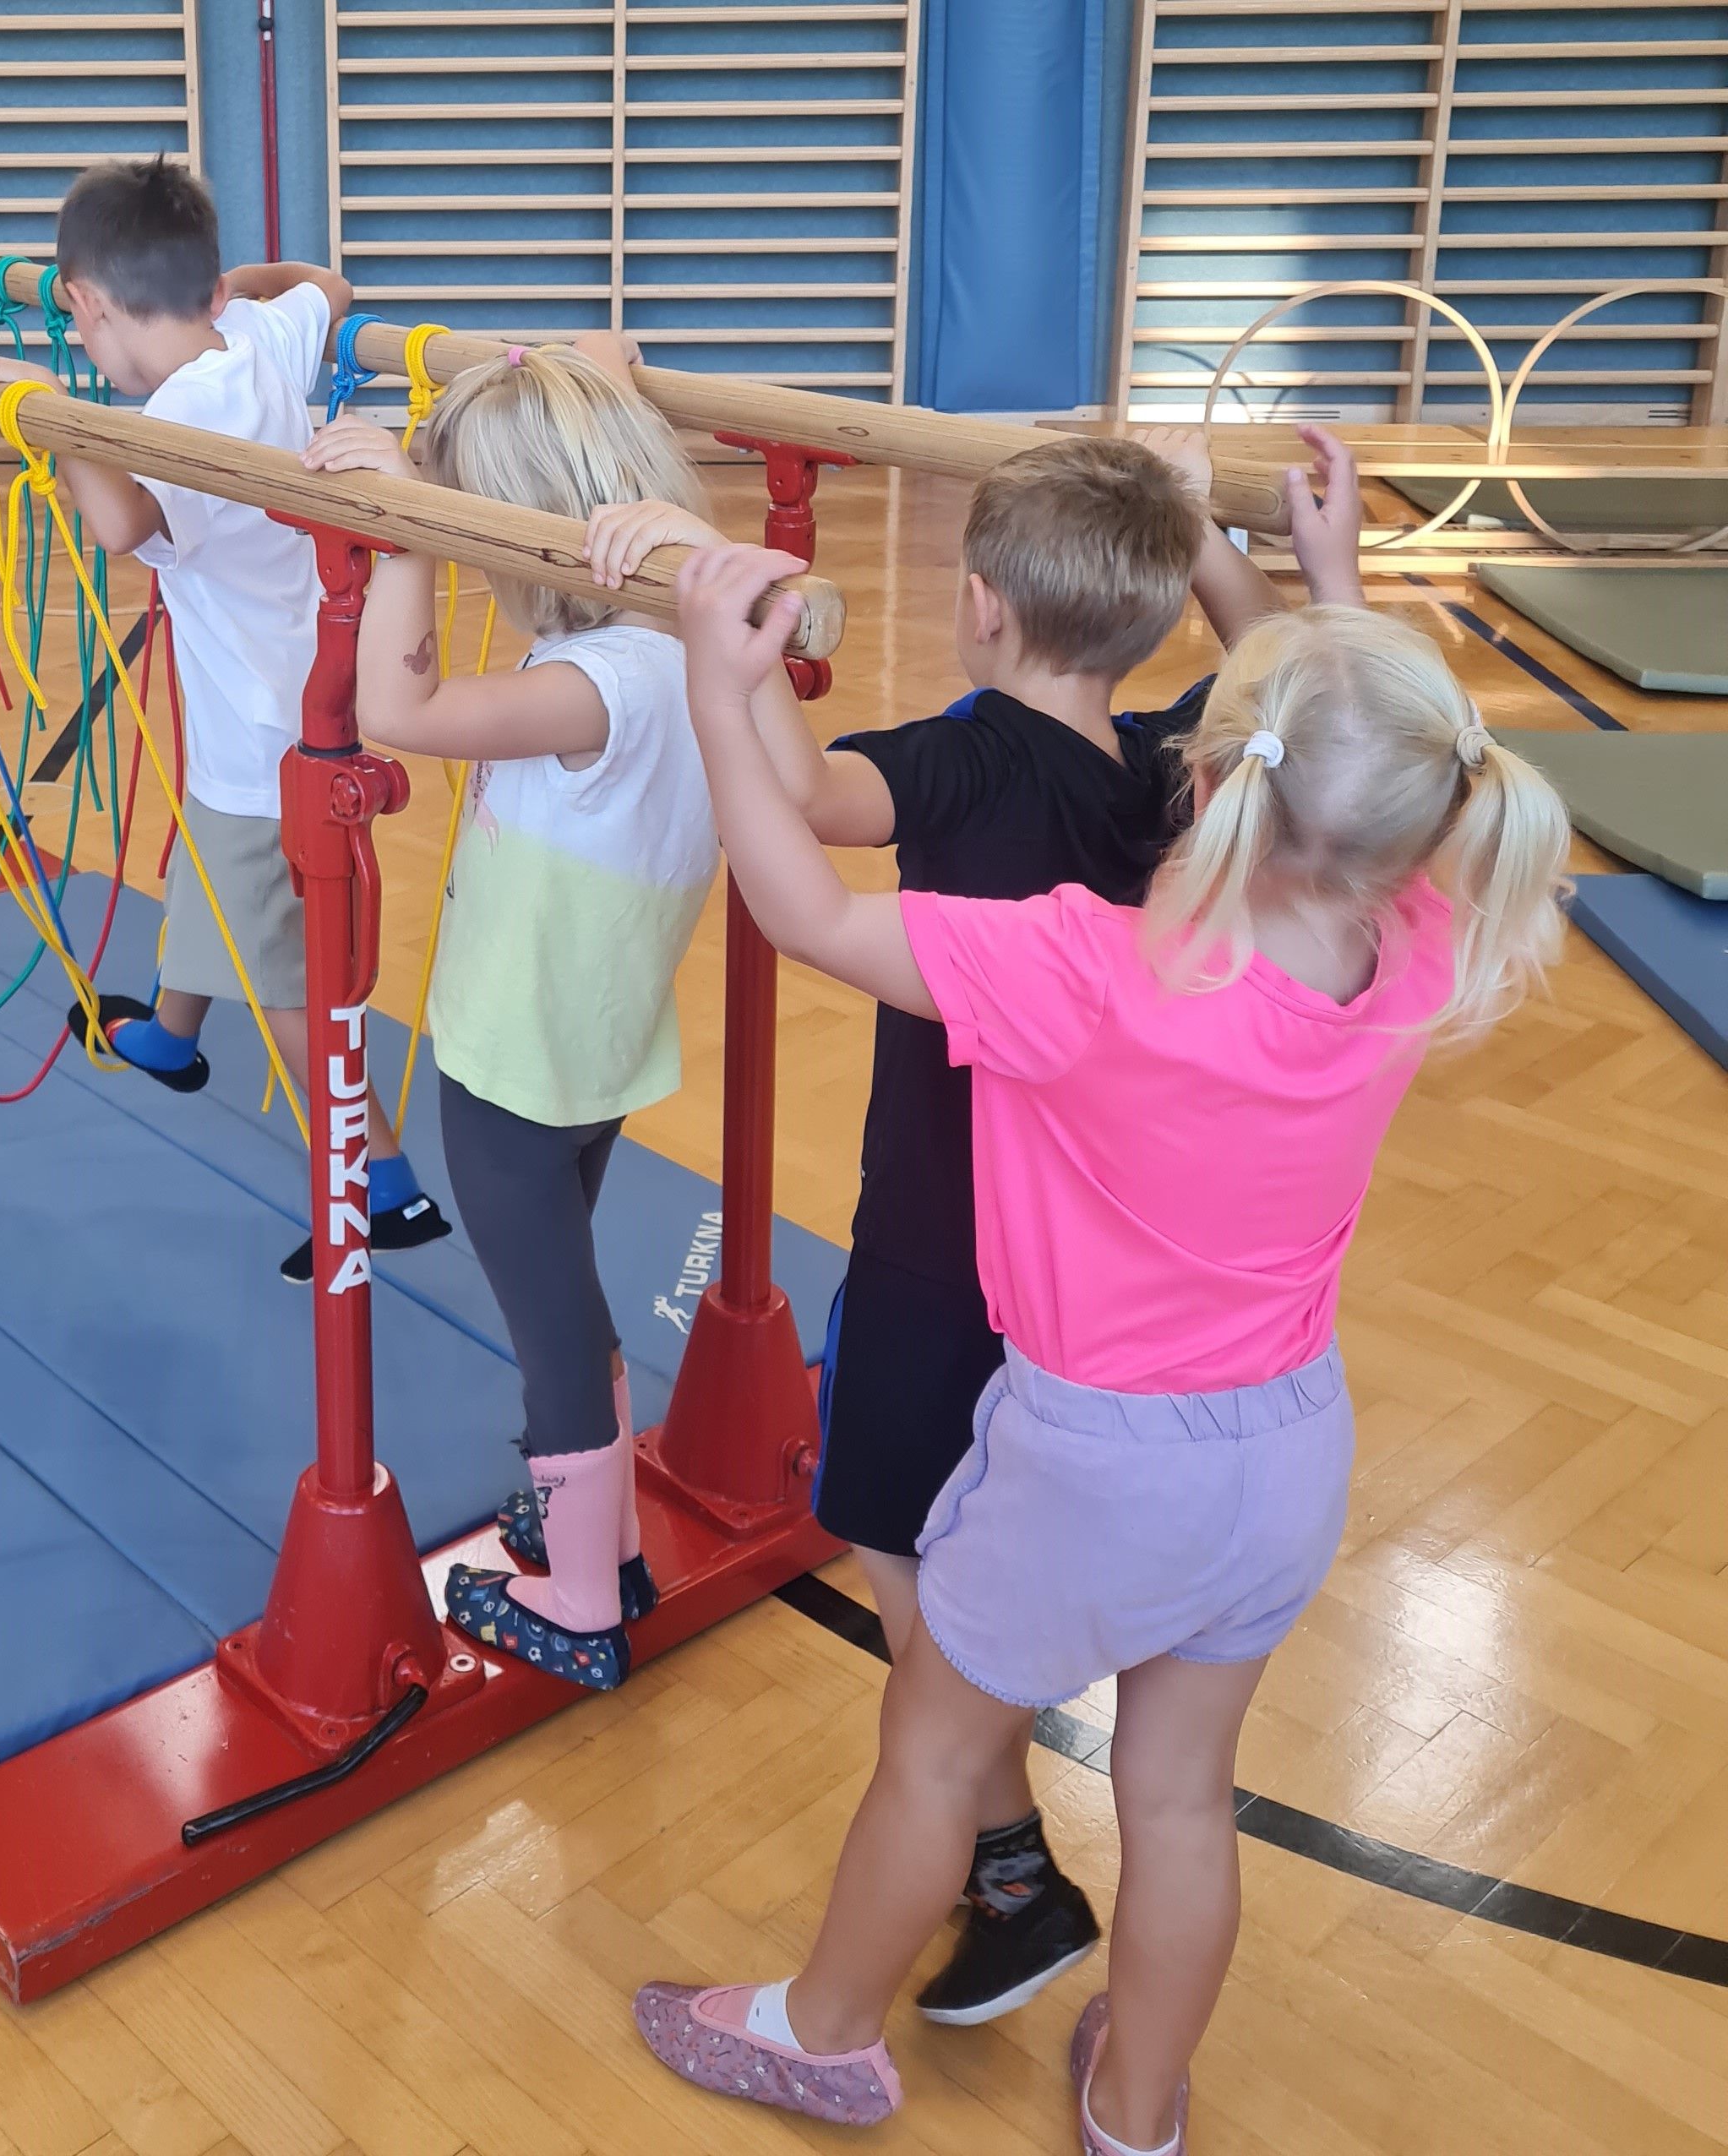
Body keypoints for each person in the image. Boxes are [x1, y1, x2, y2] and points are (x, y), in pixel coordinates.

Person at [636, 538, 1570, 2151]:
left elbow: (799, 909)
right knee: (1180, 1798)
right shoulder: (1414, 944)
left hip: (1093, 1462)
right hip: (1283, 1450)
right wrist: (1321, 583)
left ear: (1206, 778)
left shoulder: (1092, 965)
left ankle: (826, 2036)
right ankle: (1138, 2109)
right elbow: (1364, 774)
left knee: (935, 1753)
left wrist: (721, 688)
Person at [684, 425, 1357, 2025]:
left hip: (939, 1230)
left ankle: (1001, 1859)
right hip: (1093, 1274)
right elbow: (1301, 695)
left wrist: (734, 661)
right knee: (957, 1523)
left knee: (904, 1537)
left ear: (978, 605)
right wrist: (1241, 549)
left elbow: (806, 802)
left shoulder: (966, 748)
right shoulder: (1184, 769)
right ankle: (1009, 1868)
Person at [0, 155, 449, 1282]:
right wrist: (241, 285)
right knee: (214, 873)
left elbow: (118, 525)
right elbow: (333, 286)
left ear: (88, 306)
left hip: (272, 743)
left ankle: (383, 1189)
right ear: (213, 290)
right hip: (288, 704)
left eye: (82, 334)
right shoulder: (261, 336)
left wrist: (43, 407)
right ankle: (170, 1034)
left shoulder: (179, 413)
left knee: (294, 981)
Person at [299, 338, 740, 1688]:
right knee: (568, 1293)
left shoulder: (593, 686)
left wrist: (408, 532)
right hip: (592, 1045)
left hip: (513, 1060)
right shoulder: (687, 648)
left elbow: (395, 704)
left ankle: (581, 1598)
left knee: (551, 1331)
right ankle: (584, 1524)